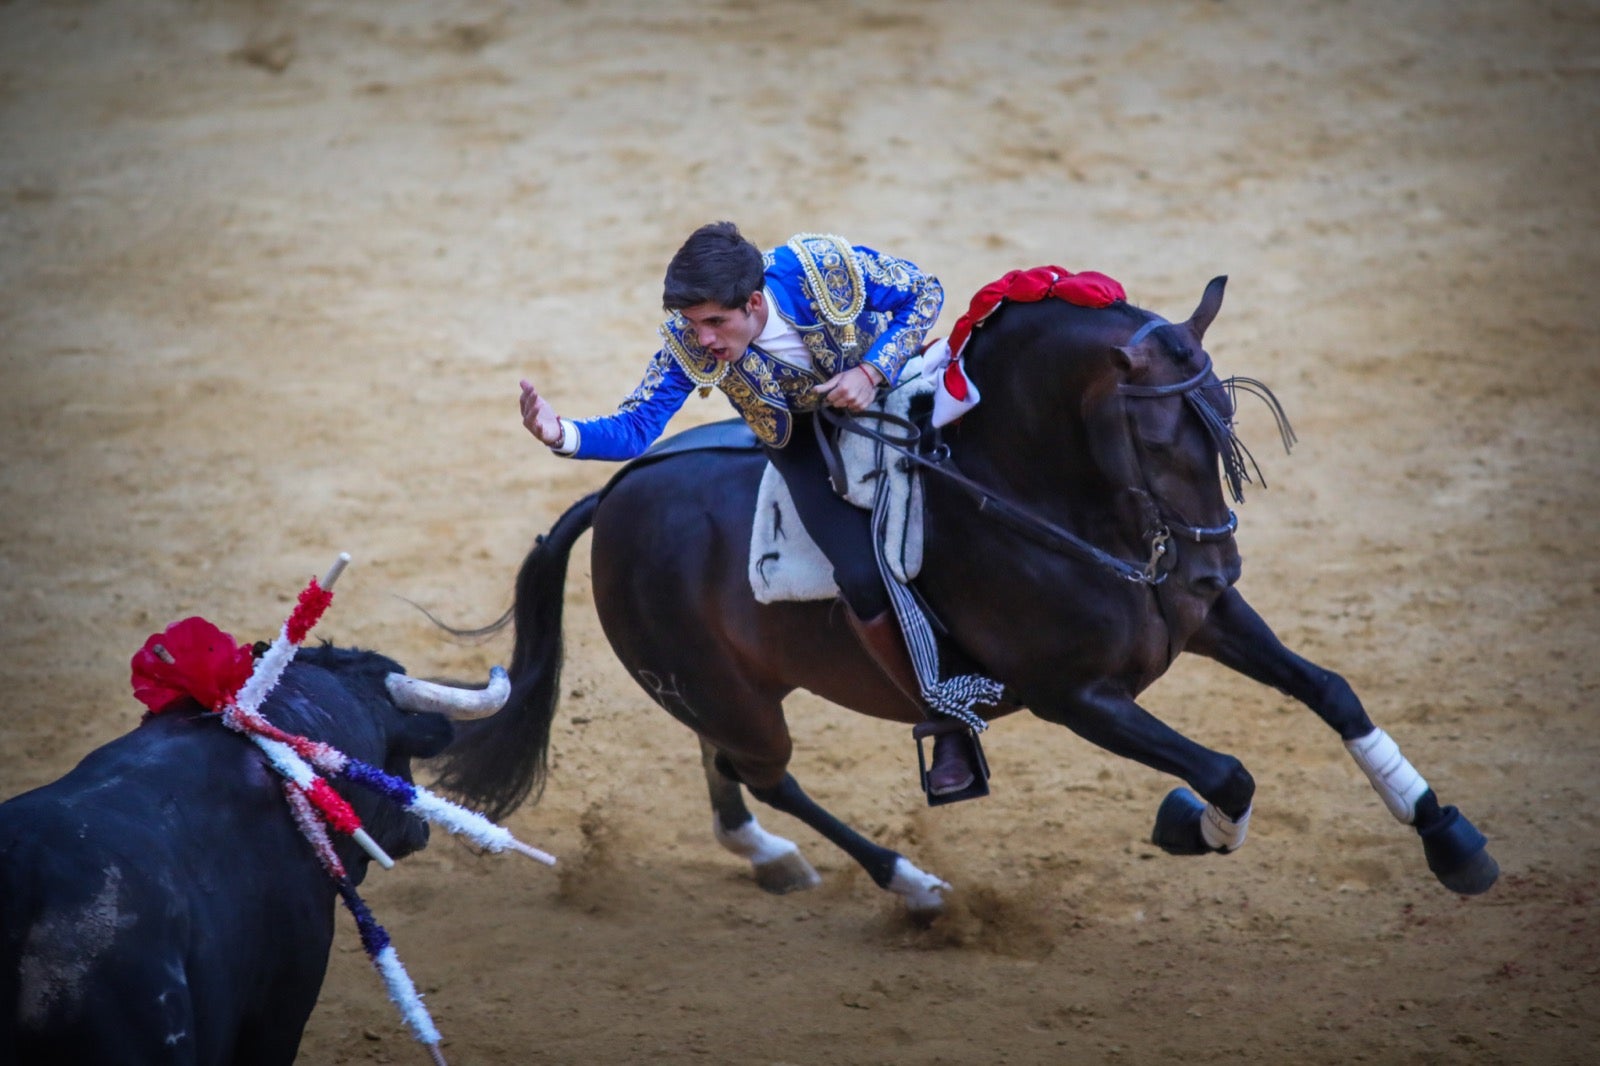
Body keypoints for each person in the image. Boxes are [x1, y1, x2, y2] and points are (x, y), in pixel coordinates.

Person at [518, 221, 981, 796]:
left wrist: (872, 370)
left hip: (887, 390)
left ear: (755, 301)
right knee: (862, 575)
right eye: (693, 324)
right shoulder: (690, 341)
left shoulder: (822, 266)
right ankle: (948, 720)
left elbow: (924, 293)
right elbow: (637, 427)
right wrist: (560, 432)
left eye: (716, 321)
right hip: (804, 443)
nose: (704, 338)